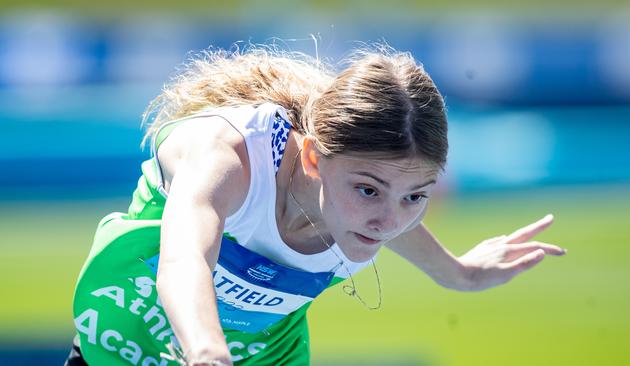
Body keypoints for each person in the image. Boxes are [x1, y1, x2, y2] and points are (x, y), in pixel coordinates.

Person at [68, 43, 566, 366]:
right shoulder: (229, 156)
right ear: (312, 157)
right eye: (369, 189)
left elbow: (395, 220)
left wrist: (462, 274)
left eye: (417, 196)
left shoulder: (372, 213)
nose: (389, 222)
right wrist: (207, 353)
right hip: (124, 342)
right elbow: (185, 260)